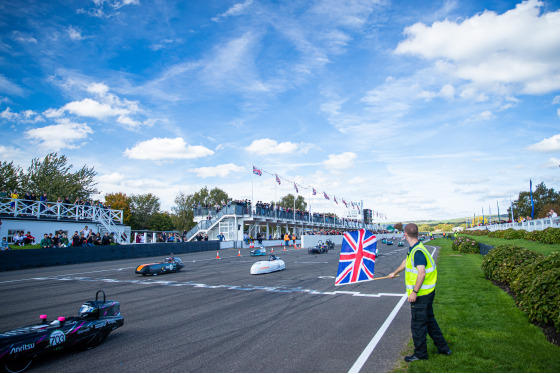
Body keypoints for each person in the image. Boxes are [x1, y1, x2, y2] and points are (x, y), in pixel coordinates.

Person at [388, 223, 451, 362]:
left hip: (421, 294)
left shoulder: (418, 252)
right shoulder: (415, 248)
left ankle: (421, 354)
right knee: (429, 321)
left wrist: (414, 292)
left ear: (405, 235)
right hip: (427, 292)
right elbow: (406, 262)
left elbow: (421, 273)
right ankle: (444, 348)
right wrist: (395, 272)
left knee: (418, 325)